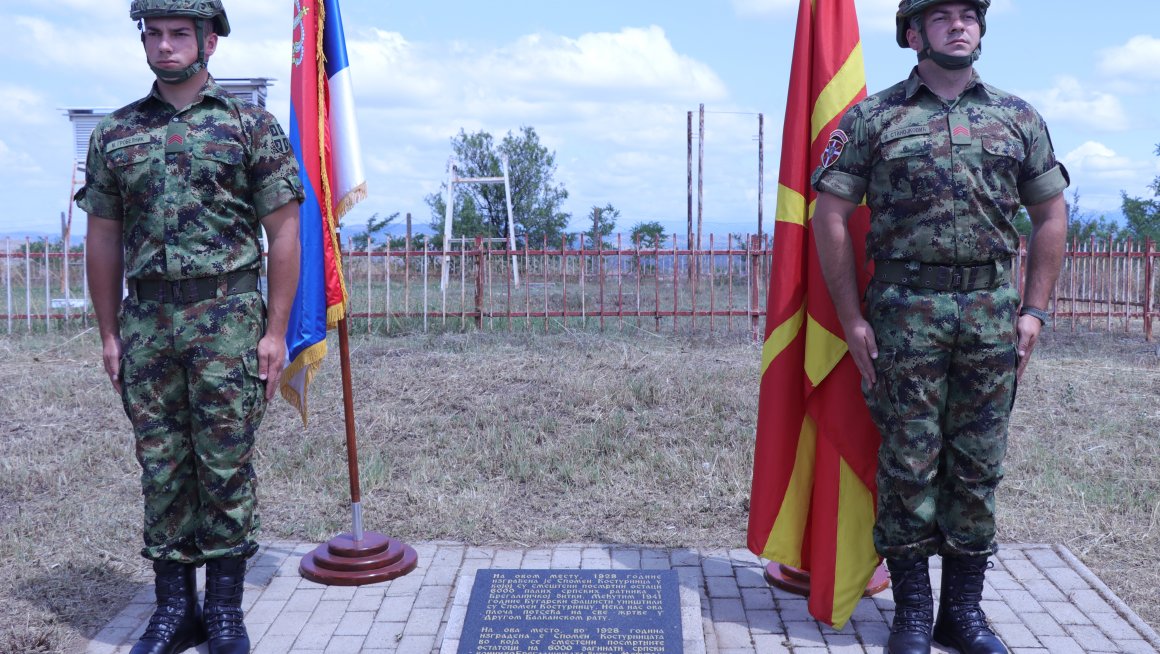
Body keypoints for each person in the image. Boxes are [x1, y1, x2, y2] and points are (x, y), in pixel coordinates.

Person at [810, 1, 1068, 653]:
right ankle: (913, 615)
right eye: (943, 15)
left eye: (970, 15)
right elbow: (830, 214)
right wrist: (850, 316)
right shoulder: (874, 118)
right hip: (904, 316)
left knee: (976, 467)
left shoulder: (1017, 117)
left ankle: (964, 614)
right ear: (912, 33)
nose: (960, 25)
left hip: (989, 317)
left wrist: (1033, 310)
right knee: (909, 464)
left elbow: (1051, 215)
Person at [76, 1, 304, 652]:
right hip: (147, 322)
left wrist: (275, 332)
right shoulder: (115, 134)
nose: (166, 46)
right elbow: (103, 240)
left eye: (180, 34)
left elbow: (284, 231)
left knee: (225, 465)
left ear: (209, 43)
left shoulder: (249, 126)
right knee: (162, 466)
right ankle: (174, 608)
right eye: (155, 34)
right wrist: (109, 334)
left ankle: (225, 610)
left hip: (229, 320)